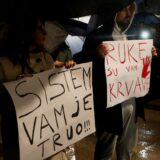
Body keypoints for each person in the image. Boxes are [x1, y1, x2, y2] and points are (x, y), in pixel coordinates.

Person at [74, 0, 157, 160]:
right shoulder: (97, 36)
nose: (128, 13)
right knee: (105, 150)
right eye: (123, 8)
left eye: (130, 8)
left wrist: (150, 54)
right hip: (108, 107)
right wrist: (96, 55)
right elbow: (80, 63)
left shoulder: (134, 36)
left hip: (131, 103)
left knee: (126, 148)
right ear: (112, 10)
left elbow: (141, 67)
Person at [0, 14, 75, 160]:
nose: (45, 32)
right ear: (26, 30)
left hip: (47, 137)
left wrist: (67, 72)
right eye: (40, 28)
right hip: (18, 140)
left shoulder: (47, 59)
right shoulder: (4, 65)